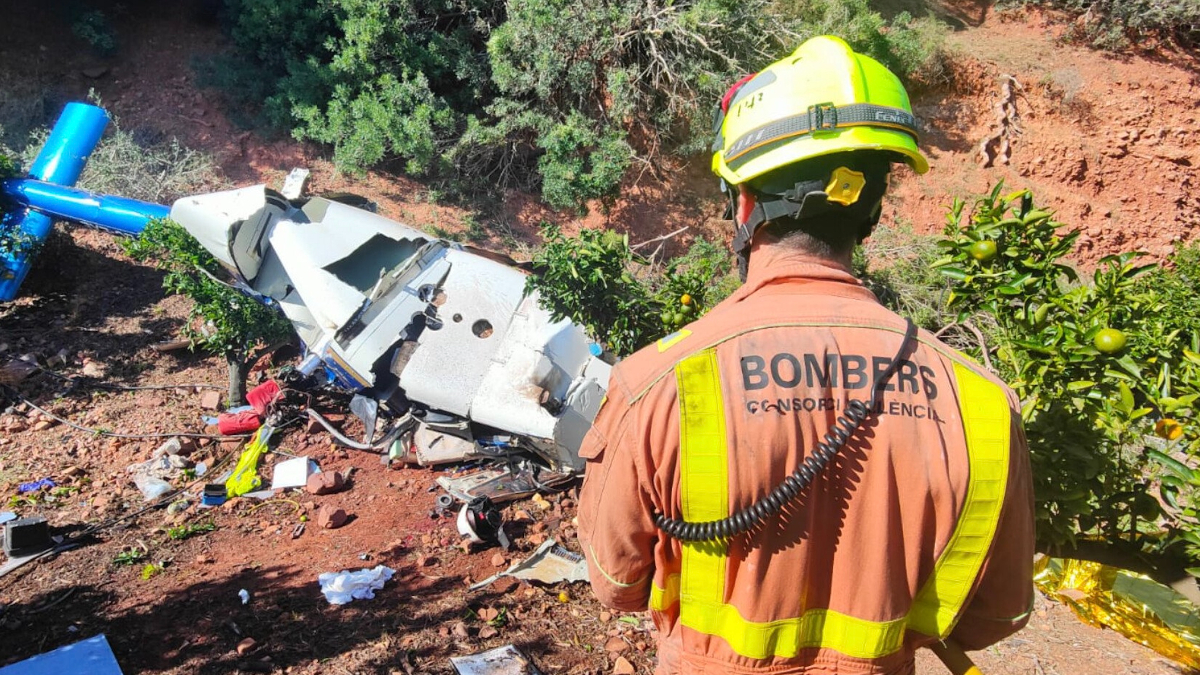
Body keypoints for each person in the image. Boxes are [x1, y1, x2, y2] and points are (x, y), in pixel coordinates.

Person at [577, 35, 1034, 675]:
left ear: (743, 204)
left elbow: (615, 583)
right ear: (872, 211)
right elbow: (997, 617)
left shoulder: (658, 383)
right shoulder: (980, 401)